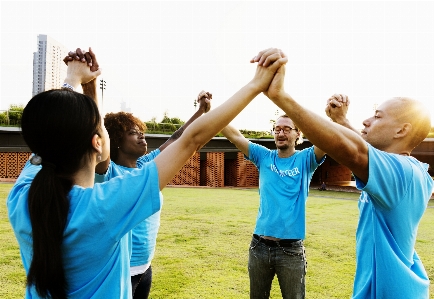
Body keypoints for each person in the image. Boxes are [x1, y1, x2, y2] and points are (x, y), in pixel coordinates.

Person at [7, 47, 287, 298]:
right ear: (98, 143)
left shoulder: (20, 198)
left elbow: (51, 135)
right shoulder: (105, 207)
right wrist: (256, 84)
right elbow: (190, 140)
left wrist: (74, 80)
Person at [258, 49, 433, 299]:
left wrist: (280, 96)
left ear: (401, 130)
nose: (366, 121)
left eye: (377, 116)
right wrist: (341, 121)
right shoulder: (412, 171)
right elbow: (366, 149)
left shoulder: (399, 173)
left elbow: (354, 151)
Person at [94, 91, 212, 299]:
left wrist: (200, 111)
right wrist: (89, 88)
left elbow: (178, 138)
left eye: (141, 131)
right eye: (133, 132)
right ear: (116, 140)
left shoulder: (146, 165)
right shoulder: (108, 171)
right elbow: (99, 137)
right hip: (120, 269)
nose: (142, 135)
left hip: (145, 267)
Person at [220, 114, 326, 298]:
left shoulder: (305, 159)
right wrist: (209, 112)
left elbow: (327, 139)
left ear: (297, 134)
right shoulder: (264, 157)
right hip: (259, 248)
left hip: (290, 251)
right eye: (277, 129)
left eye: (286, 129)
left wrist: (338, 118)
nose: (280, 133)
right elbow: (235, 136)